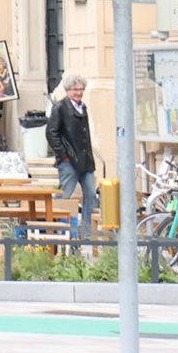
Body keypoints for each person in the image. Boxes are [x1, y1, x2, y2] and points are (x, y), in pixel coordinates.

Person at [46, 71, 99, 249]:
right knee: (65, 196)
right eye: (75, 89)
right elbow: (51, 133)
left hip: (85, 160)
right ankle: (64, 231)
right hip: (69, 161)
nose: (79, 92)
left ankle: (85, 233)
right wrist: (63, 155)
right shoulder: (60, 107)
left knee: (91, 194)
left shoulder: (82, 108)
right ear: (68, 90)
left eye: (81, 89)